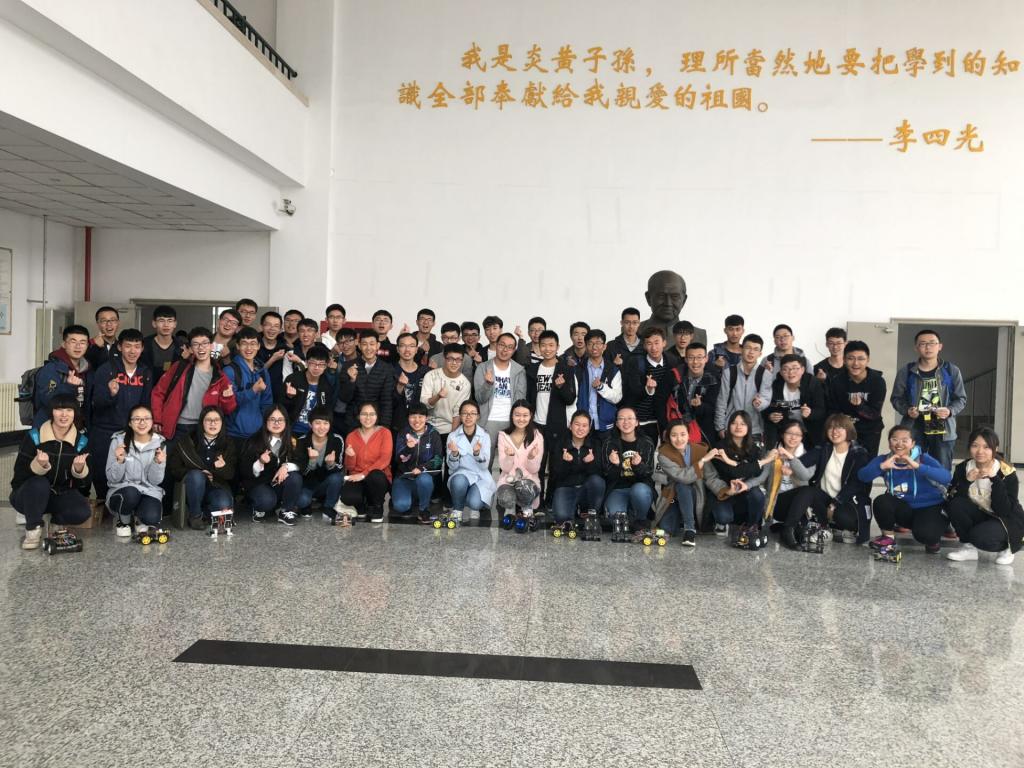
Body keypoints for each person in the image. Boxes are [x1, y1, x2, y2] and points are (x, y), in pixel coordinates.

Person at [11, 394, 91, 550]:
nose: (64, 415)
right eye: (59, 409)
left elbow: (84, 484)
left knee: (82, 511)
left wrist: (79, 470)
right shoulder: (34, 437)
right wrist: (38, 466)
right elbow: (18, 477)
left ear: (75, 413)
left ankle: (56, 523)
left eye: (69, 410)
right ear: (51, 412)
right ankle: (33, 528)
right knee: (39, 483)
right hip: (27, 496)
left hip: (57, 495)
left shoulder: (81, 442)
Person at [858, 425, 953, 554]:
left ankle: (934, 535)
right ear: (889, 443)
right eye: (895, 439)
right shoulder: (885, 460)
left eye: (904, 440)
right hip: (904, 508)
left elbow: (946, 477)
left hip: (930, 506)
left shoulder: (923, 458)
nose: (899, 444)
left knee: (926, 535)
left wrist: (919, 467)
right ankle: (888, 539)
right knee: (882, 501)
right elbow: (862, 477)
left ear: (912, 443)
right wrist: (881, 467)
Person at [784, 415, 872, 547]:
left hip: (848, 501)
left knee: (843, 517)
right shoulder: (824, 448)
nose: (834, 431)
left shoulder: (859, 453)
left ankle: (833, 527)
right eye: (831, 428)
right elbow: (804, 461)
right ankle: (788, 529)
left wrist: (835, 503)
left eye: (840, 427)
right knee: (807, 491)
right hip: (825, 499)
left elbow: (855, 484)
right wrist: (790, 466)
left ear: (848, 430)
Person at [90, 328, 153, 503]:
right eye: (128, 346)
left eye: (137, 346)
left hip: (132, 432)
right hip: (105, 431)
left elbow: (146, 404)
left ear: (142, 349)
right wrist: (111, 394)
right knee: (102, 472)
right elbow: (96, 402)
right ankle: (104, 505)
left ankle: (124, 506)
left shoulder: (145, 372)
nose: (133, 351)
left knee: (130, 472)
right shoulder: (106, 370)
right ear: (119, 347)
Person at [890, 329, 967, 470]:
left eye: (932, 343)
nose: (928, 347)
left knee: (941, 469)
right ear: (916, 347)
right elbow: (896, 398)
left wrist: (949, 410)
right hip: (914, 427)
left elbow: (961, 399)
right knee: (911, 466)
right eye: (923, 344)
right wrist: (907, 410)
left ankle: (940, 487)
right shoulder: (906, 371)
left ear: (940, 346)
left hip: (942, 429)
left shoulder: (951, 370)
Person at [945, 427, 1021, 565]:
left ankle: (1007, 547)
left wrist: (995, 479)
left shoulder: (1007, 472)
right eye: (975, 446)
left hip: (1005, 519)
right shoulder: (963, 468)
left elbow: (1004, 510)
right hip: (981, 513)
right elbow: (951, 499)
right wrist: (966, 481)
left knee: (980, 537)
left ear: (995, 449)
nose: (980, 451)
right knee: (956, 504)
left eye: (986, 447)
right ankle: (969, 548)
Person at [151, 327, 237, 441]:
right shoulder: (179, 367)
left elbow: (228, 410)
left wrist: (227, 398)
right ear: (191, 349)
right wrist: (157, 419)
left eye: (205, 343)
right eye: (196, 344)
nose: (201, 347)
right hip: (177, 427)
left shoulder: (220, 376)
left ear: (211, 346)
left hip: (204, 428)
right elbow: (158, 392)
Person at [525, 330, 576, 507]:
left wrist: (561, 387)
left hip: (557, 426)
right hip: (537, 425)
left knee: (555, 466)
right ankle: (537, 501)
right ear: (538, 348)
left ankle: (551, 501)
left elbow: (570, 399)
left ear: (557, 347)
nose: (547, 349)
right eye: (543, 345)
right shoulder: (532, 370)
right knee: (537, 465)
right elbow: (529, 398)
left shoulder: (565, 369)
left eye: (551, 345)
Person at [702, 410, 771, 535]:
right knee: (724, 517)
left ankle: (751, 525)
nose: (738, 426)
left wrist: (747, 477)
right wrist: (760, 463)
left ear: (749, 427)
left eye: (743, 424)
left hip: (744, 490)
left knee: (757, 495)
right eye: (734, 423)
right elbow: (733, 472)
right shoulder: (719, 448)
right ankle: (723, 521)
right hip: (724, 492)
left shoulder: (754, 449)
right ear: (729, 426)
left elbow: (758, 473)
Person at [167, 406, 236, 530]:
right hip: (192, 488)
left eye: (216, 420)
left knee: (223, 504)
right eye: (208, 420)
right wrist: (196, 473)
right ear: (201, 422)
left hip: (216, 487)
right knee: (196, 476)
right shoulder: (187, 441)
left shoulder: (228, 444)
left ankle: (204, 512)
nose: (213, 423)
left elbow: (231, 474)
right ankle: (195, 516)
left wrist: (221, 468)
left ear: (222, 423)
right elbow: (174, 468)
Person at [105, 404, 166, 537]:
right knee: (131, 493)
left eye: (146, 418)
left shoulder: (160, 444)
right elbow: (112, 478)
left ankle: (138, 519)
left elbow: (155, 481)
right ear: (130, 423)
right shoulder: (118, 441)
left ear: (152, 422)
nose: (142, 422)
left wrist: (157, 463)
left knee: (151, 518)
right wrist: (119, 461)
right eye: (137, 419)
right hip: (124, 490)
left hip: (148, 491)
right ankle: (123, 520)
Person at [240, 406, 303, 526]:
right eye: (272, 419)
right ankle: (259, 509)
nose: (276, 423)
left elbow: (301, 462)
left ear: (286, 422)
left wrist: (286, 466)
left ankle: (286, 511)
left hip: (278, 483)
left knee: (295, 477)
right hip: (258, 484)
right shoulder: (254, 441)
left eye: (280, 419)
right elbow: (244, 471)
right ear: (265, 421)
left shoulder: (292, 440)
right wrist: (260, 462)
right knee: (267, 501)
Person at [474, 332, 526, 467]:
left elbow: (520, 400)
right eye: (502, 345)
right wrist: (488, 384)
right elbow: (479, 398)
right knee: (485, 463)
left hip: (510, 422)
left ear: (514, 350)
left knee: (510, 465)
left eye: (509, 347)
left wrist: (518, 424)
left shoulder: (519, 370)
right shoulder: (483, 368)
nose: (505, 350)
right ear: (496, 346)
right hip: (487, 422)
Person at [827, 340, 887, 456]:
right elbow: (832, 410)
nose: (855, 363)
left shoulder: (877, 381)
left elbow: (875, 413)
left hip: (870, 431)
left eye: (861, 359)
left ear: (868, 360)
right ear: (844, 360)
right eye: (851, 358)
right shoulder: (837, 381)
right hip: (845, 431)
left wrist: (860, 406)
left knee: (866, 463)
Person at [602, 407, 656, 530]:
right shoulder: (609, 443)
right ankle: (630, 515)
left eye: (630, 418)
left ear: (637, 422)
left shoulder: (646, 442)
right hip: (618, 488)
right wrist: (615, 465)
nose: (626, 422)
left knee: (639, 491)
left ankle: (641, 518)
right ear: (616, 423)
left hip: (639, 487)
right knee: (616, 520)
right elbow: (606, 475)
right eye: (621, 419)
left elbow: (648, 473)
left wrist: (638, 465)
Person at [655, 419, 708, 544]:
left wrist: (726, 491)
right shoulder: (664, 454)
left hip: (696, 495)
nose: (679, 439)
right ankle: (683, 517)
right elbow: (682, 476)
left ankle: (690, 529)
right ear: (668, 437)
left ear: (689, 435)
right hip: (674, 496)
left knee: (682, 486)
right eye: (674, 435)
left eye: (683, 434)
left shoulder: (699, 451)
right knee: (666, 529)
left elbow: (712, 478)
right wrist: (701, 462)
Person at [339, 401, 393, 522]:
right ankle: (361, 506)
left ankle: (377, 507)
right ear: (358, 416)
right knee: (348, 497)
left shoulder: (385, 433)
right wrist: (351, 456)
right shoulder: (351, 436)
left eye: (372, 414)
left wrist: (363, 474)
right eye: (364, 414)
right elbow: (349, 467)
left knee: (376, 476)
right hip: (357, 475)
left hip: (377, 476)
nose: (368, 418)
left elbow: (384, 460)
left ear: (377, 416)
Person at [714, 334, 772, 444]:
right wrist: (720, 427)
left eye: (755, 349)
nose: (751, 352)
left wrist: (759, 403)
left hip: (755, 429)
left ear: (760, 353)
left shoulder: (765, 374)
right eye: (748, 348)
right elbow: (721, 401)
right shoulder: (729, 372)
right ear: (741, 349)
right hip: (731, 427)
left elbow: (766, 399)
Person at [549, 411, 606, 524]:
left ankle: (590, 511)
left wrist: (587, 463)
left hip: (586, 488)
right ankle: (574, 508)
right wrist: (566, 463)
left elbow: (600, 472)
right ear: (570, 426)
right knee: (562, 517)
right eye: (577, 424)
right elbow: (556, 473)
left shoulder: (595, 444)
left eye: (584, 425)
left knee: (597, 482)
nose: (580, 428)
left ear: (589, 428)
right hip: (566, 487)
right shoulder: (561, 444)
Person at [391, 402, 443, 522]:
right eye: (413, 416)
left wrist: (422, 468)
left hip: (423, 477)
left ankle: (424, 509)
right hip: (405, 477)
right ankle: (413, 499)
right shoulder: (403, 433)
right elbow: (398, 459)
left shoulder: (433, 434)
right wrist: (408, 448)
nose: (417, 420)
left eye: (420, 416)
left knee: (424, 479)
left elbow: (438, 459)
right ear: (408, 418)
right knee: (401, 506)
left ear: (426, 418)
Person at [659, 342, 719, 444]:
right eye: (691, 358)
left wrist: (699, 406)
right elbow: (660, 402)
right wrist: (665, 427)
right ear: (686, 359)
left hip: (702, 432)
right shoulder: (674, 375)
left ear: (706, 358)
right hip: (675, 429)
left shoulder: (713, 379)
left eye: (699, 357)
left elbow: (713, 408)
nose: (695, 362)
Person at [33, 324, 92, 428]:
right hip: (50, 427)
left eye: (82, 342)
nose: (78, 346)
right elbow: (47, 399)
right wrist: (68, 386)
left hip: (75, 427)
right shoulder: (51, 369)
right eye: (73, 342)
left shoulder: (87, 369)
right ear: (64, 344)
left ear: (87, 345)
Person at [294, 407, 346, 522]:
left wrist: (331, 464)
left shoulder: (337, 440)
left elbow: (340, 467)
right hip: (307, 485)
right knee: (302, 501)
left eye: (325, 423)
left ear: (330, 425)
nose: (322, 427)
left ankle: (328, 507)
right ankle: (307, 504)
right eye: (317, 423)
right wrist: (312, 461)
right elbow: (300, 472)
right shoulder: (302, 441)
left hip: (326, 483)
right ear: (310, 424)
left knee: (337, 478)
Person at [762, 354, 826, 448]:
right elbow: (767, 408)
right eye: (786, 369)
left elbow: (821, 410)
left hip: (809, 433)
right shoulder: (776, 386)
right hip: (785, 434)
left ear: (802, 370)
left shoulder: (812, 384)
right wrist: (770, 416)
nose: (791, 372)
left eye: (795, 368)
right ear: (781, 372)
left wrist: (810, 413)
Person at [446, 400, 495, 521]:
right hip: (461, 474)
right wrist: (455, 453)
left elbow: (484, 467)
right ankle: (457, 509)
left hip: (480, 475)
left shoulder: (485, 436)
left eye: (472, 413)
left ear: (478, 416)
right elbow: (452, 467)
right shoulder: (453, 436)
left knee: (475, 503)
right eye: (465, 413)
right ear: (460, 415)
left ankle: (472, 500)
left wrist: (477, 453)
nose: (468, 416)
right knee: (458, 482)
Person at [494, 400, 544, 518]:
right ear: (512, 416)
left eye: (525, 415)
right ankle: (510, 509)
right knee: (505, 497)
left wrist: (531, 457)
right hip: (509, 480)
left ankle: (527, 507)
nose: (521, 419)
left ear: (530, 416)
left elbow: (534, 469)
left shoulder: (537, 436)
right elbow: (505, 468)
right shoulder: (503, 436)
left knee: (525, 489)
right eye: (517, 415)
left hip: (528, 481)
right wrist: (509, 456)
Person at [223, 327, 273, 442]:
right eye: (244, 343)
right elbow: (230, 402)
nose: (249, 348)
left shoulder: (262, 371)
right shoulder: (229, 371)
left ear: (258, 346)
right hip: (234, 433)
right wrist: (253, 390)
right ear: (237, 346)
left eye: (253, 344)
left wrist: (265, 427)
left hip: (258, 433)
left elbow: (267, 402)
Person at [622, 327, 670, 446]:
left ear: (664, 343)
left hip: (662, 419)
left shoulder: (671, 362)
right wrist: (647, 389)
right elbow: (631, 391)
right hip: (641, 420)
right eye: (649, 343)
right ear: (644, 346)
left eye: (657, 343)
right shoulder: (636, 363)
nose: (653, 348)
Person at [338, 331, 396, 430]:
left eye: (372, 344)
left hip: (376, 421)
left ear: (378, 345)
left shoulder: (387, 369)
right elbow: (344, 398)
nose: (368, 348)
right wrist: (352, 380)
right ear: (359, 345)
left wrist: (384, 427)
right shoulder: (348, 366)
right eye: (364, 344)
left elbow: (386, 401)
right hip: (353, 422)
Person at [761, 420, 810, 538]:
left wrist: (792, 467)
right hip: (777, 502)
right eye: (789, 433)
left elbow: (805, 477)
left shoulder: (807, 456)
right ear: (783, 434)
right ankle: (787, 527)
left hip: (797, 504)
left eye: (797, 434)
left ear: (802, 437)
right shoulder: (773, 453)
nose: (793, 437)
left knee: (807, 491)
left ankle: (787, 527)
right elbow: (761, 478)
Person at [573, 330, 623, 441]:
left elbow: (617, 397)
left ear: (604, 346)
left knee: (606, 451)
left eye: (598, 343)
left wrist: (601, 387)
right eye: (590, 343)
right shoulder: (578, 369)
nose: (594, 347)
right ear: (586, 346)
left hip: (606, 424)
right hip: (583, 424)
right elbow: (573, 397)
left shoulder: (613, 370)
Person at [638, 269, 707, 345]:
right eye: (661, 296)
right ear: (648, 298)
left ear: (684, 300)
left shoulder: (699, 335)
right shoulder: (635, 332)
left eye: (675, 297)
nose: (668, 303)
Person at [283, 344, 336, 438]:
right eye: (313, 363)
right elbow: (281, 407)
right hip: (292, 430)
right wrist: (289, 397)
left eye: (321, 364)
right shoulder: (293, 379)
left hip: (315, 433)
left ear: (326, 366)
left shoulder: (327, 384)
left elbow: (328, 412)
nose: (316, 368)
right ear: (306, 363)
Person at [421, 344, 472, 437]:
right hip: (427, 427)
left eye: (458, 360)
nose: (454, 363)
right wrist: (438, 396)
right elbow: (423, 404)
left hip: (449, 429)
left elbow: (458, 413)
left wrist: (452, 437)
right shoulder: (431, 376)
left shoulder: (465, 384)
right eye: (451, 359)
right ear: (444, 358)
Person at [141, 305, 187, 385]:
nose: (166, 325)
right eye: (161, 320)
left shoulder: (182, 347)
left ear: (175, 324)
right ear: (154, 323)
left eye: (170, 321)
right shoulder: (144, 345)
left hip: (172, 389)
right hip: (147, 388)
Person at [393, 332, 429, 429]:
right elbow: (387, 402)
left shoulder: (425, 372)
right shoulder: (389, 370)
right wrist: (399, 387)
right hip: (396, 426)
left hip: (420, 425)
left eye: (411, 346)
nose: (407, 350)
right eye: (403, 346)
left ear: (416, 349)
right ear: (397, 349)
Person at [255, 310, 290, 402]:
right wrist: (273, 359)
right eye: (268, 325)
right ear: (261, 327)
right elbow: (254, 373)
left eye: (276, 326)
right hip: (257, 396)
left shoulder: (285, 349)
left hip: (279, 398)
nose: (272, 328)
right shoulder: (253, 347)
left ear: (280, 330)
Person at [813, 327, 847, 398]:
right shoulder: (818, 368)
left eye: (839, 343)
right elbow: (815, 395)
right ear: (826, 344)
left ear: (845, 343)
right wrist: (819, 382)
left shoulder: (852, 366)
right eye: (831, 343)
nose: (835, 347)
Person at [86, 305, 121, 370]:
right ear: (98, 324)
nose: (109, 324)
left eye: (113, 320)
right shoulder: (88, 345)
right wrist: (94, 346)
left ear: (118, 323)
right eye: (104, 321)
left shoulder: (122, 347)